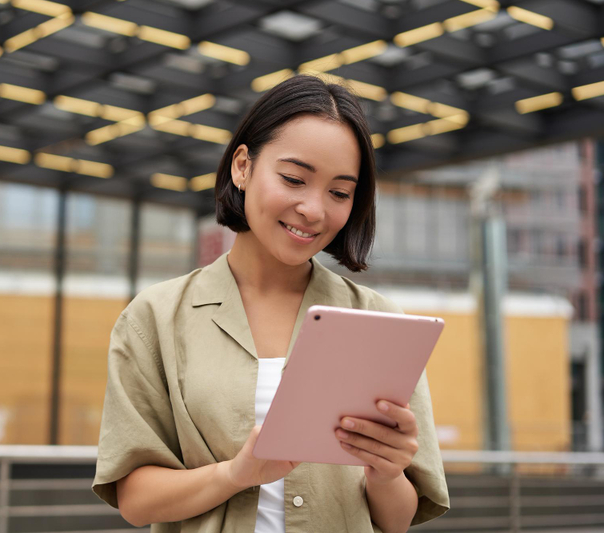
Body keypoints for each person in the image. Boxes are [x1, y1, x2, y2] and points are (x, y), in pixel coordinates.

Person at [92, 74, 450, 533]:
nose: (314, 209)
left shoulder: (378, 322)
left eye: (339, 192)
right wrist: (236, 475)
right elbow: (136, 501)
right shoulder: (155, 319)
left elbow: (397, 519)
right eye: (294, 179)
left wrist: (387, 472)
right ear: (242, 166)